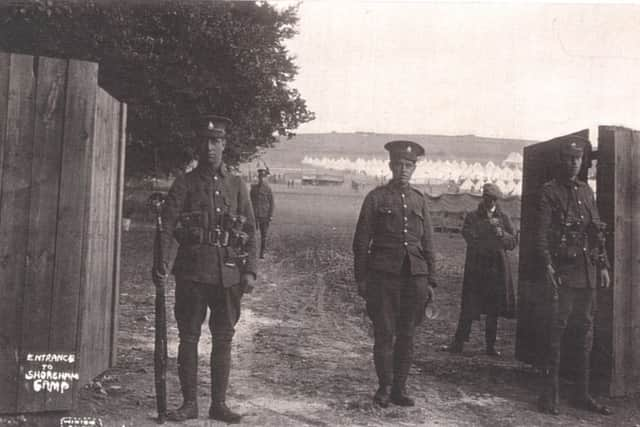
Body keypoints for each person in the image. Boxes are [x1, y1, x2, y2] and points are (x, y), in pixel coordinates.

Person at [152, 114, 257, 423]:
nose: (210, 147)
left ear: (224, 145)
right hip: (192, 274)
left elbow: (251, 230)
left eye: (216, 141)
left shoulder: (237, 185)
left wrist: (249, 271)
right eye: (205, 141)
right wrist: (161, 266)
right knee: (188, 338)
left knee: (223, 338)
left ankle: (219, 404)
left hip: (228, 275)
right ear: (198, 146)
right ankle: (189, 404)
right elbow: (167, 227)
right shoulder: (185, 183)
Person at [352, 140, 438, 408]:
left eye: (409, 165)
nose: (403, 169)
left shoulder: (419, 200)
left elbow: (429, 243)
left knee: (407, 334)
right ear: (391, 166)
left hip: (415, 278)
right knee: (385, 333)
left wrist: (431, 280)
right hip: (383, 277)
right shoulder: (376, 198)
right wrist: (362, 279)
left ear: (414, 168)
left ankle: (400, 388)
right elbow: (360, 242)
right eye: (399, 164)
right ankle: (385, 387)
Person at [536, 137, 612, 416]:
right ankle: (549, 395)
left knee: (584, 335)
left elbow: (597, 232)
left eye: (578, 159)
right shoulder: (549, 192)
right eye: (569, 158)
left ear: (582, 162)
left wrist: (603, 265)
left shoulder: (586, 191)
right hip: (563, 274)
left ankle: (582, 394)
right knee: (555, 334)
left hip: (587, 273)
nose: (574, 163)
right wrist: (547, 266)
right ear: (561, 160)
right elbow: (541, 236)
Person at [445, 183, 517, 356]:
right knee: (469, 307)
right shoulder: (472, 217)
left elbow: (513, 242)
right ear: (482, 198)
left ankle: (490, 346)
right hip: (477, 269)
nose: (490, 202)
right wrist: (487, 229)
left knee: (493, 309)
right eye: (487, 198)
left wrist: (502, 234)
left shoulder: (504, 217)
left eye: (493, 199)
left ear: (497, 200)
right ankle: (459, 343)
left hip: (496, 269)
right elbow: (468, 235)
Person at [250, 167, 275, 259]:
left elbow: (272, 203)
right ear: (258, 177)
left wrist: (270, 216)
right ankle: (252, 252)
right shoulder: (253, 189)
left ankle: (262, 253)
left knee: (264, 235)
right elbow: (249, 202)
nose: (261, 179)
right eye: (260, 177)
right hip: (254, 215)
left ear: (265, 178)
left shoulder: (268, 189)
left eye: (263, 177)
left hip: (264, 216)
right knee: (252, 234)